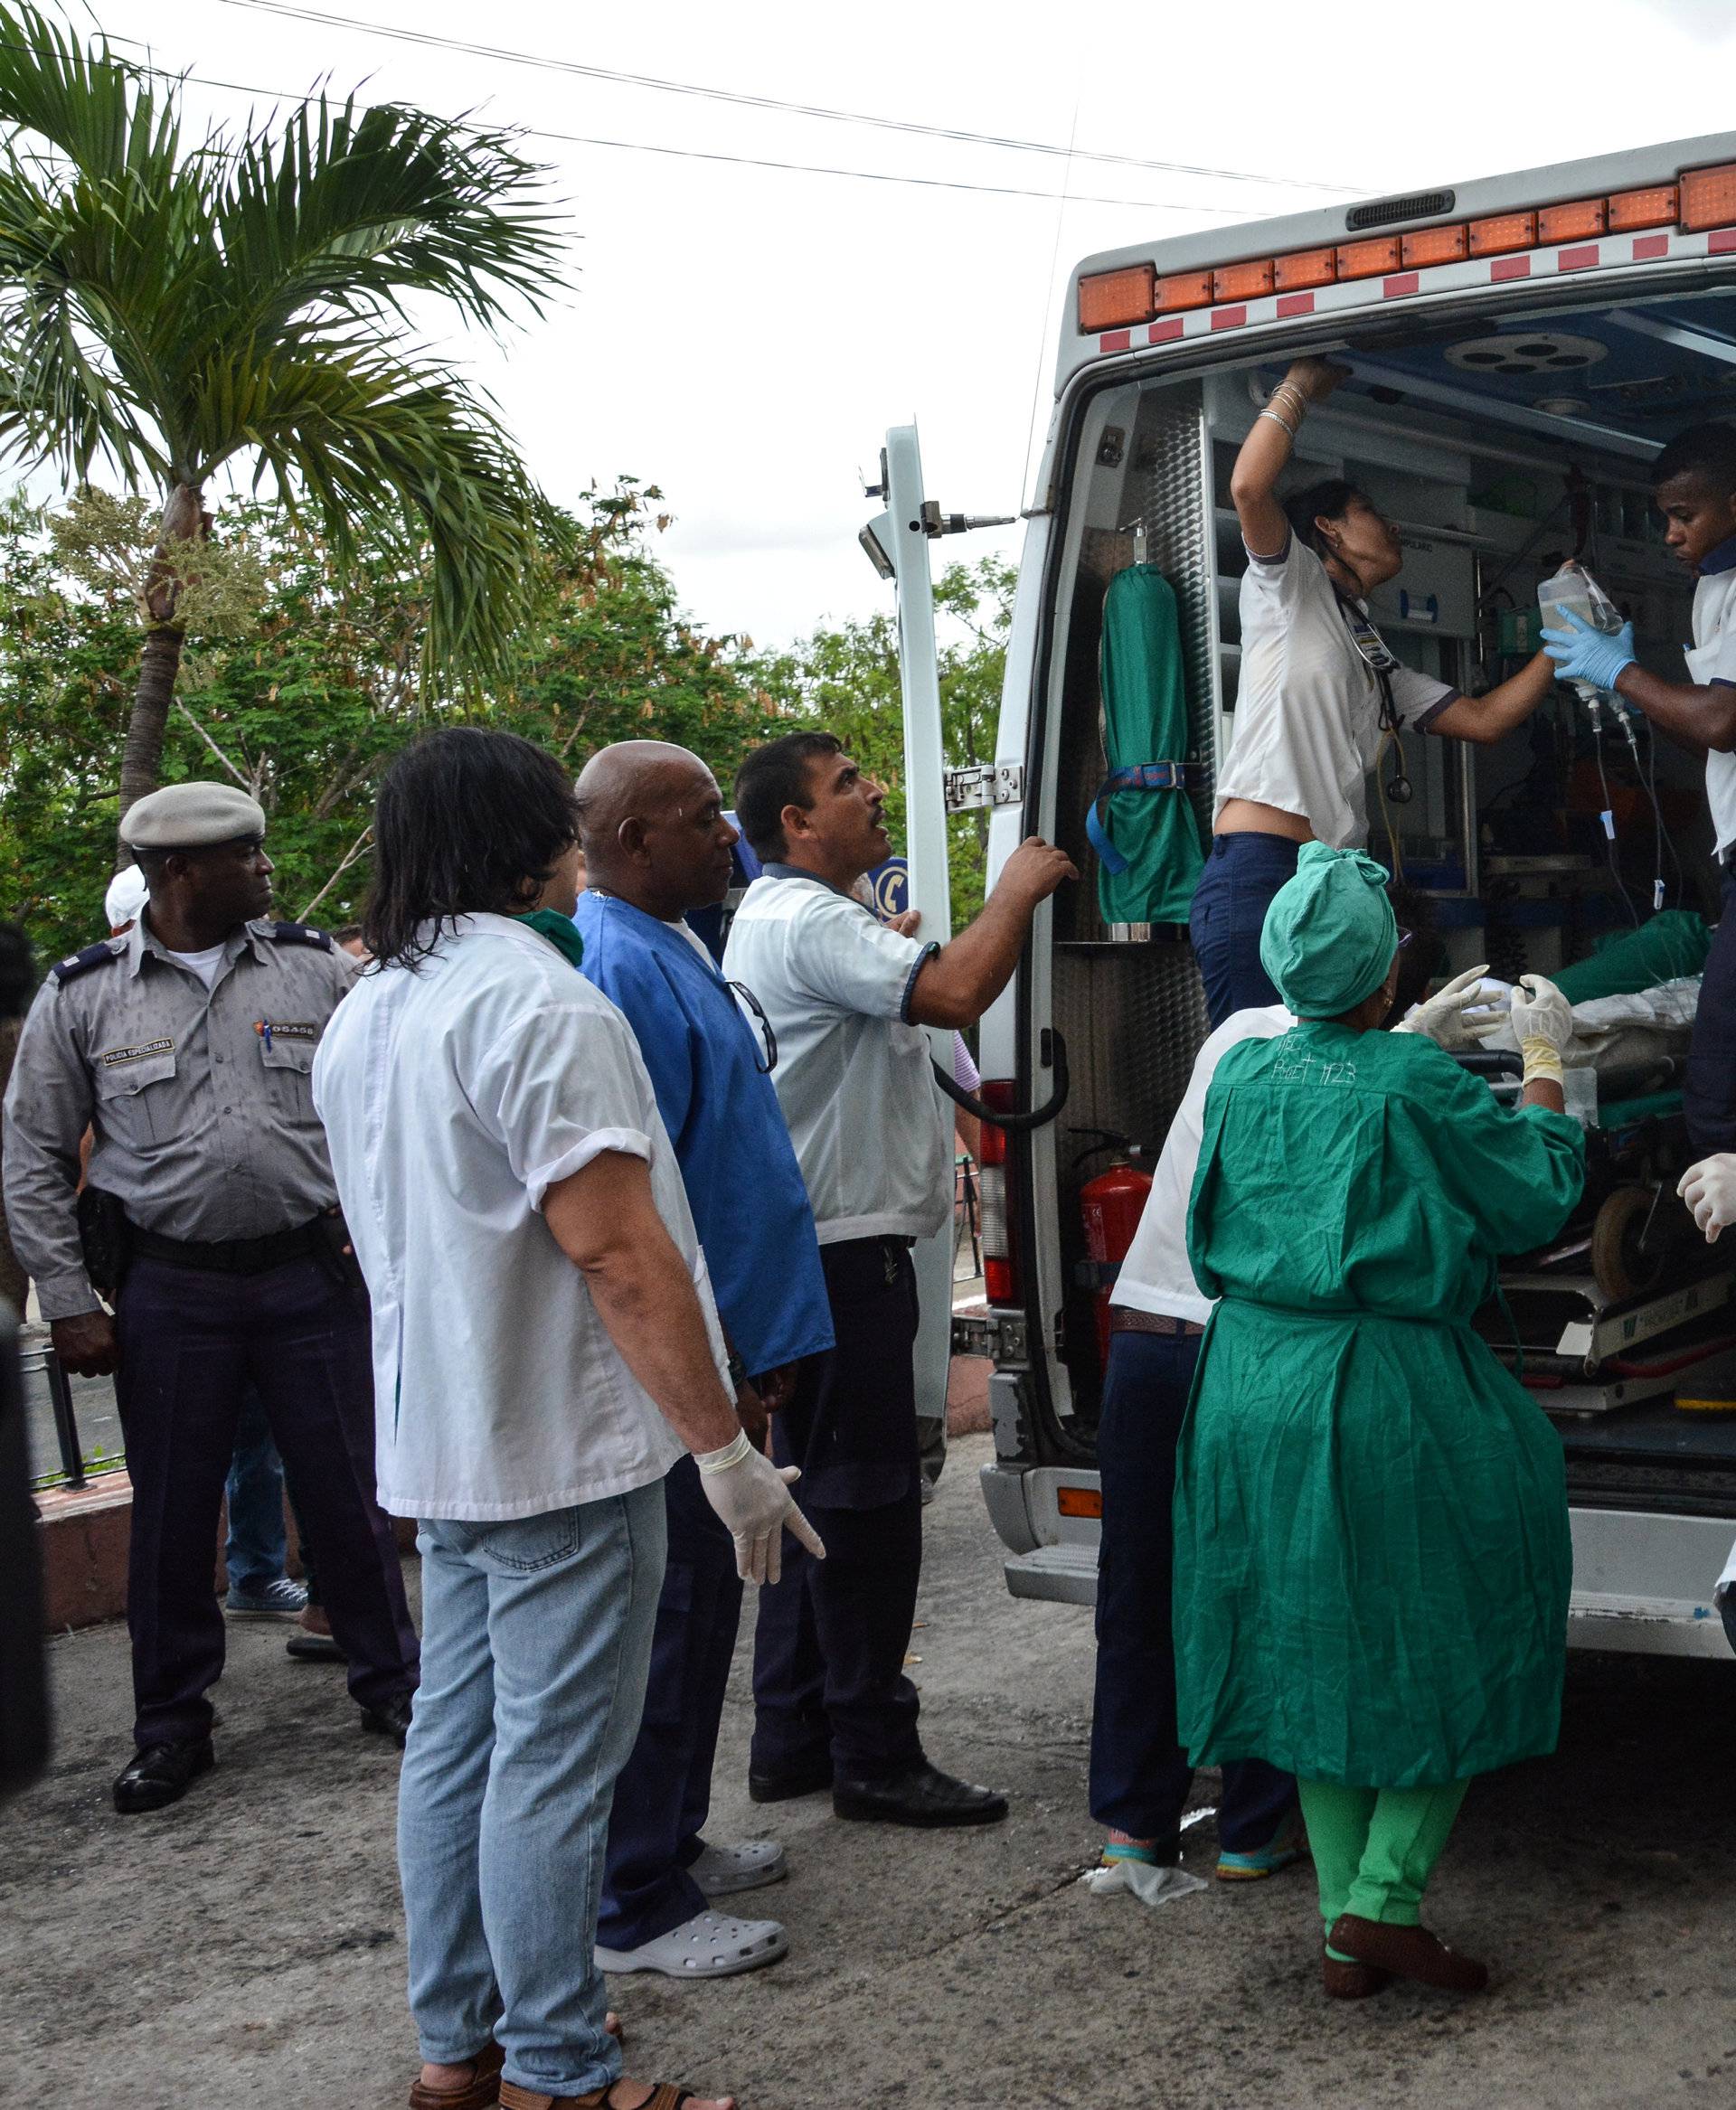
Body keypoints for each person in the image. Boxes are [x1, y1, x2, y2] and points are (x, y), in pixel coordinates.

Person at [314, 726, 818, 2110]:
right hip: (561, 1448)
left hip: (449, 1442)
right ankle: (558, 2068)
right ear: (542, 837)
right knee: (552, 1762)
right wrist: (722, 1449)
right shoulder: (541, 1002)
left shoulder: (373, 1005)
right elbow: (617, 1248)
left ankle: (458, 2050)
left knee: (458, 1747)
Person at [1172, 843, 1585, 1996]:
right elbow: (1536, 1192)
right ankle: (1384, 1904)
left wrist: (1400, 1049)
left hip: (1252, 1384)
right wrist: (1548, 1066)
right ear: (1392, 966)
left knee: (1313, 1647)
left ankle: (1344, 1925)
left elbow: (1324, 1113)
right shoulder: (1421, 1085)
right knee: (1452, 1622)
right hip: (1384, 1390)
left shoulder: (1244, 1073)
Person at [2, 783, 420, 1813]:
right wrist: (68, 1299)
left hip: (310, 1276)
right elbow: (31, 1155)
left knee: (352, 1497)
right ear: (179, 873)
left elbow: (388, 1112)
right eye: (247, 855)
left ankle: (396, 1688)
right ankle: (171, 1727)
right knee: (174, 1521)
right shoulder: (85, 994)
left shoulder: (318, 969)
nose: (268, 870)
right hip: (170, 1290)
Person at [723, 730, 1073, 1826]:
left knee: (815, 1503)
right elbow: (963, 989)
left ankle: (797, 1737)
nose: (871, 794)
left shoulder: (790, 919)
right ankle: (876, 1751)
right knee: (869, 1510)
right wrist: (1016, 888)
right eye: (845, 787)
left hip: (814, 1247)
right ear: (794, 824)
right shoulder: (815, 920)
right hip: (845, 1257)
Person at [571, 739, 835, 1982]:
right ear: (627, 838)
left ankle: (669, 1838)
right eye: (695, 820)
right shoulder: (613, 962)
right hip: (694, 1360)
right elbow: (652, 1196)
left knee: (711, 1606)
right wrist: (721, 1353)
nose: (725, 837)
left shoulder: (677, 937)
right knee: (669, 1626)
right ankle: (635, 1897)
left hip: (743, 1341)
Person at [1192, 356, 1558, 1026]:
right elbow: (1249, 488)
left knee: (1330, 1079)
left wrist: (1566, 644)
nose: (1392, 526)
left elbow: (1482, 720)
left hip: (1329, 883)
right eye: (1369, 510)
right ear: (1328, 528)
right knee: (1258, 1076)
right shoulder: (1290, 587)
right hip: (1263, 873)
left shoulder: (1371, 652)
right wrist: (1299, 387)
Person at [1540, 420, 1736, 1155]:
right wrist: (1637, 698)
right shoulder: (1713, 590)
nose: (1670, 536)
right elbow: (1704, 733)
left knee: (1716, 1073)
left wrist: (1620, 671)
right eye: (1664, 519)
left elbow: (1722, 719)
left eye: (1685, 516)